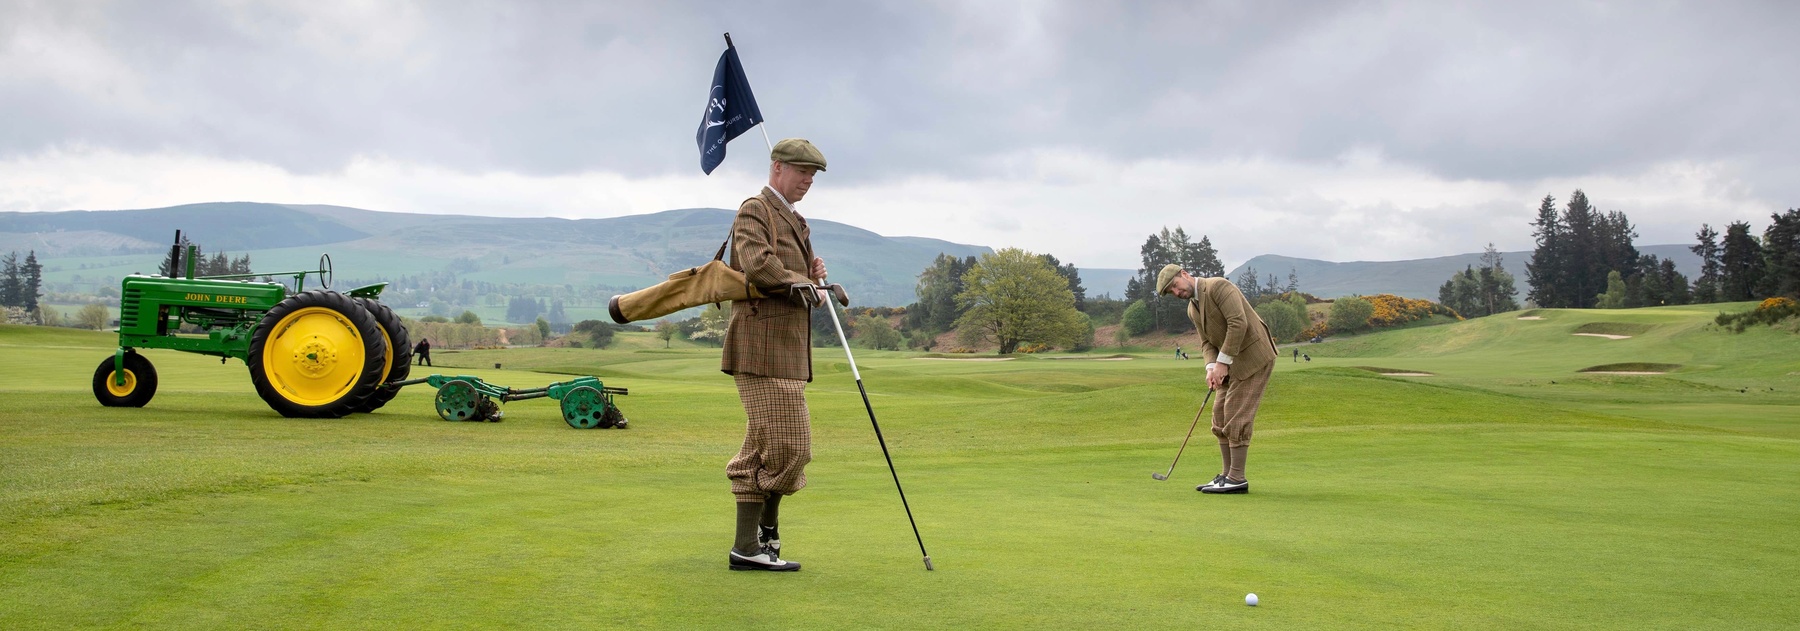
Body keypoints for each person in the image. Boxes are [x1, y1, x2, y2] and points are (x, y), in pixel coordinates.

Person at [720, 138, 830, 572]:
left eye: (813, 175)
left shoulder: (798, 221)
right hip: (760, 349)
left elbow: (785, 270)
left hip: (787, 353)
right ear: (777, 167)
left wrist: (812, 275)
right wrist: (808, 286)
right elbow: (759, 265)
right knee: (792, 448)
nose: (807, 180)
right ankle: (763, 532)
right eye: (802, 171)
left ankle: (749, 546)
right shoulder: (755, 209)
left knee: (759, 452)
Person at [1157, 264, 1277, 495]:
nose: (1176, 292)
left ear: (1184, 274)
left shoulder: (1218, 287)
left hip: (1253, 356)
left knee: (1235, 413)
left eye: (1175, 286)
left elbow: (1237, 323)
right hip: (1229, 361)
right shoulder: (1192, 308)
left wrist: (1223, 363)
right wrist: (1211, 368)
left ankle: (1237, 477)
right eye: (1171, 292)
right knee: (1219, 414)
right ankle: (1226, 475)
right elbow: (1206, 343)